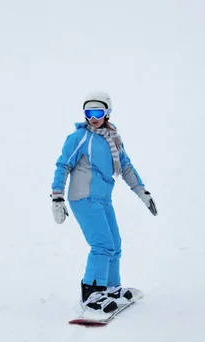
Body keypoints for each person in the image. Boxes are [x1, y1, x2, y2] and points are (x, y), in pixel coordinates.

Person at [51, 91, 157, 313]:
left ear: (107, 112)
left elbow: (126, 167)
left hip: (102, 198)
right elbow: (63, 165)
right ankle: (91, 292)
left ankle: (110, 287)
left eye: (97, 112)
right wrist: (57, 197)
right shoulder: (79, 137)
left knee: (114, 244)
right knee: (101, 245)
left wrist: (142, 192)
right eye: (88, 112)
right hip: (84, 198)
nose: (93, 117)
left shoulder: (113, 139)